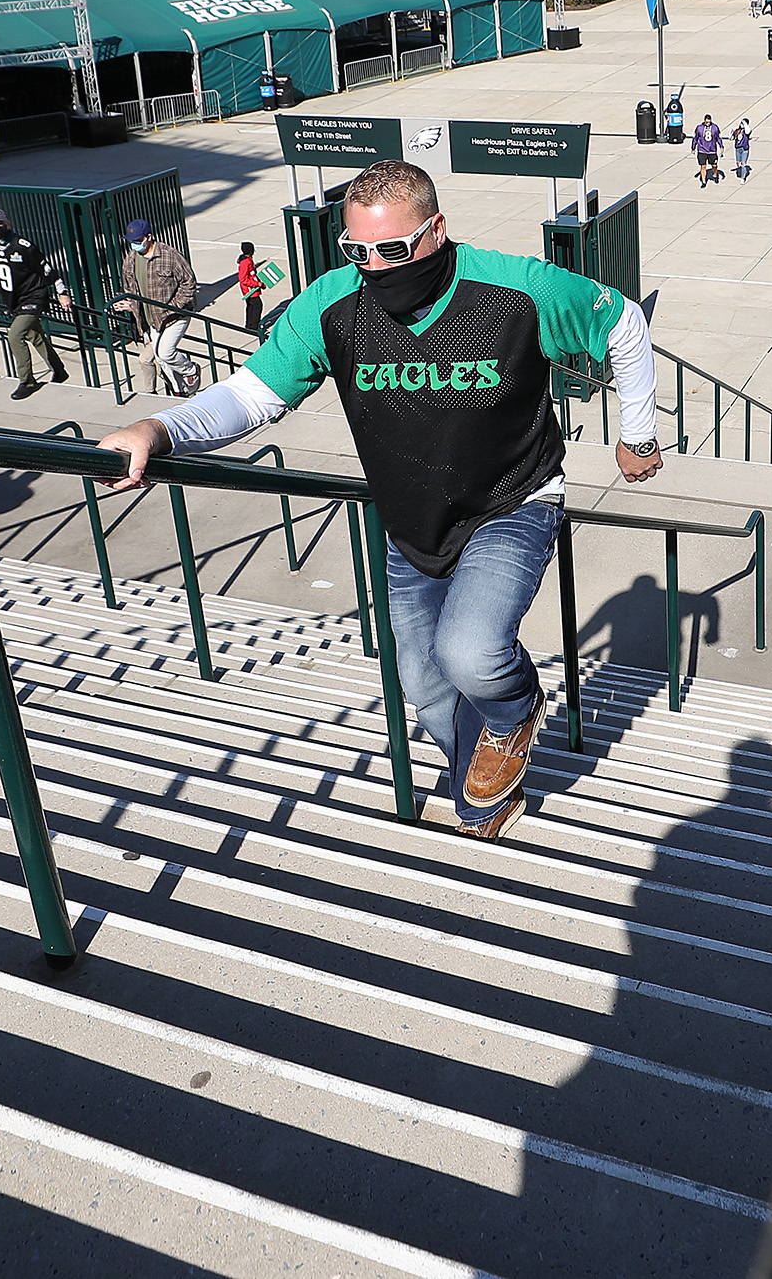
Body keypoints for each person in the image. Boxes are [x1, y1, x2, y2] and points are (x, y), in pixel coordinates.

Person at [96, 159, 664, 840]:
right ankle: (482, 783)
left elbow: (624, 325)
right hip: (410, 518)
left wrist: (637, 435)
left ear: (436, 231)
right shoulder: (333, 303)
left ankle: (515, 716)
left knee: (473, 653)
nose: (375, 267)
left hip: (510, 500)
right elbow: (252, 396)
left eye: (392, 249)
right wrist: (160, 428)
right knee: (422, 685)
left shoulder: (516, 289)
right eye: (356, 251)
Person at [0, 208, 75, 400]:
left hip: (33, 297)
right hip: (14, 300)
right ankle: (59, 370)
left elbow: (48, 270)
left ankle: (27, 381)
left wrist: (62, 293)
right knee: (35, 336)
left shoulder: (23, 246)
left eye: (0, 223)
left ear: (8, 223)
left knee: (15, 335)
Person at [113, 218, 198, 396]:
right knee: (160, 358)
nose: (134, 245)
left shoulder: (169, 256)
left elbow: (189, 283)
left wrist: (174, 307)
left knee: (165, 352)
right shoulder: (130, 260)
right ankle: (178, 391)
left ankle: (191, 371)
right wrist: (130, 305)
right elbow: (130, 288)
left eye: (137, 241)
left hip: (175, 316)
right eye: (131, 242)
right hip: (151, 320)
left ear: (149, 237)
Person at [237, 242, 266, 335]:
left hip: (252, 289)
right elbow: (243, 278)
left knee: (251, 307)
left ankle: (249, 325)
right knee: (257, 306)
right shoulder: (246, 262)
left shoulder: (247, 260)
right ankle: (254, 327)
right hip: (250, 290)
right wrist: (257, 284)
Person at [692, 113, 722, 187]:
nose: (707, 123)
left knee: (714, 165)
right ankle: (704, 181)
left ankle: (715, 174)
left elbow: (718, 138)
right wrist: (693, 148)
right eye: (706, 122)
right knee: (703, 166)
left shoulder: (715, 127)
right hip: (702, 150)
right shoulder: (699, 128)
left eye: (709, 122)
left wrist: (721, 146)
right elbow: (695, 138)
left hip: (712, 150)